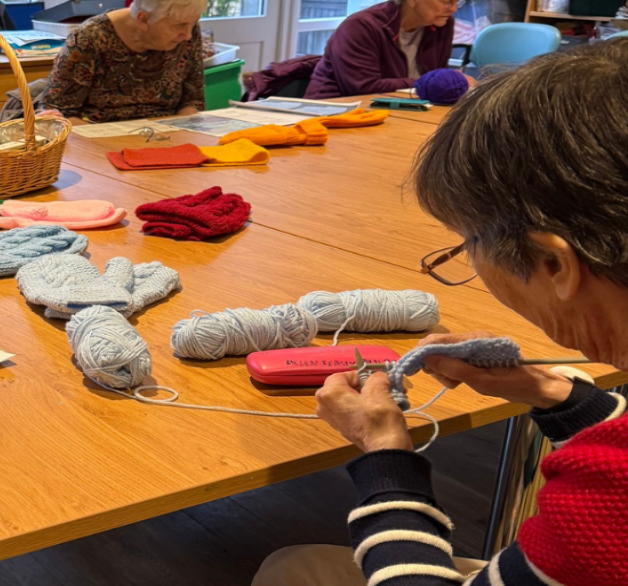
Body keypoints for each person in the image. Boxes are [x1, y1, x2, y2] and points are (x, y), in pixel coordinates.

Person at [255, 40, 628, 585]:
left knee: (290, 573)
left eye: (465, 246)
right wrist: (551, 392)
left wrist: (385, 458)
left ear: (554, 263)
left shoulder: (607, 507)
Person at [40, 0, 207, 125]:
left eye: (193, 23)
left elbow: (192, 102)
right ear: (143, 19)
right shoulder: (89, 38)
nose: (187, 35)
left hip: (163, 137)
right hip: (99, 141)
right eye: (180, 26)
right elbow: (58, 116)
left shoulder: (189, 32)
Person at [306, 0, 473, 99]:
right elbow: (364, 88)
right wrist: (433, 82)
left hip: (400, 109)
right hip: (334, 112)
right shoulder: (361, 27)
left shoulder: (441, 24)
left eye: (457, 1)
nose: (453, 8)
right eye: (447, 1)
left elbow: (437, 77)